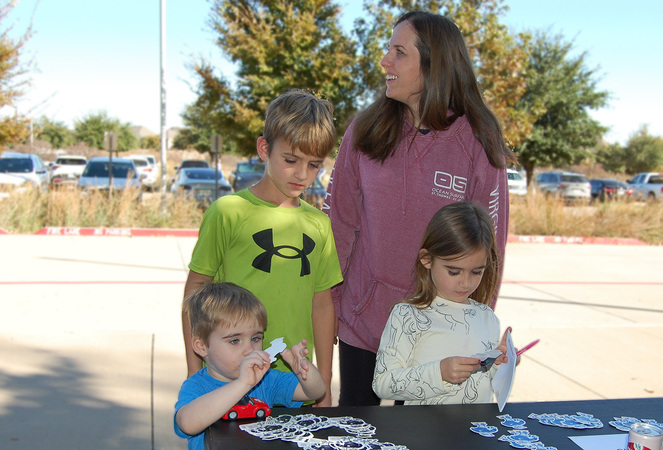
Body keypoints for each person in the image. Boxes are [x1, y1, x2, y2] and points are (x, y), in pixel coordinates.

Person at [326, 11, 515, 406]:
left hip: (436, 332)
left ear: (434, 64)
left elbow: (488, 247)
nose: (385, 61)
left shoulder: (478, 141)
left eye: (399, 52)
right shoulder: (364, 131)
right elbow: (339, 225)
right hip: (363, 320)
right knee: (357, 431)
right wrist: (328, 308)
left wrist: (476, 329)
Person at [181, 89, 343, 406]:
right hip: (232, 383)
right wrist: (193, 373)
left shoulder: (319, 224)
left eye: (314, 165)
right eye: (291, 160)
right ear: (264, 148)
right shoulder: (228, 212)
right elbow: (194, 296)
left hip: (297, 385)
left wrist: (324, 385)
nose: (302, 174)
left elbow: (322, 306)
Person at [372, 202, 513, 405]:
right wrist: (439, 373)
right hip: (425, 434)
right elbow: (383, 383)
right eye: (454, 271)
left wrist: (501, 364)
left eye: (477, 272)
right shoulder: (408, 315)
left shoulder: (487, 317)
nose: (466, 282)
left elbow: (487, 384)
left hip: (475, 433)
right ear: (427, 259)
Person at [175, 282, 326, 449]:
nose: (249, 350)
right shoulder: (197, 385)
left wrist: (304, 369)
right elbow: (186, 424)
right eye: (234, 341)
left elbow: (315, 392)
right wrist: (242, 384)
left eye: (255, 339)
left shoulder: (266, 379)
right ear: (201, 346)